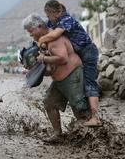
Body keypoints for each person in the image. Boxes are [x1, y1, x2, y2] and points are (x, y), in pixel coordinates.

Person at [23, 13, 90, 143]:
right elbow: (49, 69)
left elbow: (63, 59)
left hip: (73, 77)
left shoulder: (55, 39)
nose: (30, 34)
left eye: (31, 31)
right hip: (59, 81)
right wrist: (35, 66)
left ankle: (92, 136)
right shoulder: (44, 42)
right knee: (49, 103)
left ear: (40, 26)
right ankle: (58, 134)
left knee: (80, 109)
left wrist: (44, 58)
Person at [38, 0, 102, 127]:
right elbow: (45, 30)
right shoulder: (53, 21)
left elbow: (54, 34)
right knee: (81, 84)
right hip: (77, 54)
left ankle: (95, 118)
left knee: (89, 83)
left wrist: (42, 40)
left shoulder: (67, 19)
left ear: (56, 12)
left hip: (88, 51)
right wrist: (43, 44)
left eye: (48, 15)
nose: (47, 18)